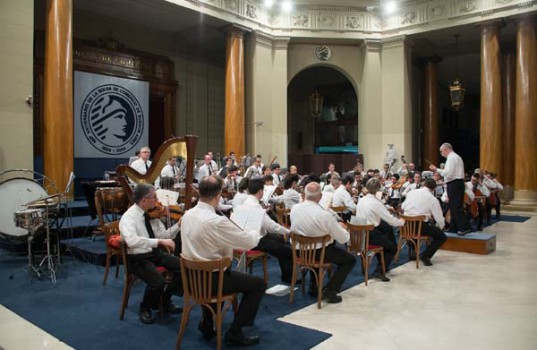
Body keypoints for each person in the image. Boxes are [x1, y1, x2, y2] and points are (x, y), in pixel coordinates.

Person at [181, 175, 266, 346]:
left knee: (218, 270)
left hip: (192, 279)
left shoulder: (188, 214)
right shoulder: (217, 221)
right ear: (219, 194)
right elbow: (249, 243)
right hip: (213, 281)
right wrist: (254, 231)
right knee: (259, 284)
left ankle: (207, 323)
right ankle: (235, 332)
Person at [119, 183, 182, 324]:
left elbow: (165, 235)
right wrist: (158, 242)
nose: (156, 201)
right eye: (154, 198)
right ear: (143, 200)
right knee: (157, 281)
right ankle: (145, 307)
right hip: (137, 257)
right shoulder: (129, 218)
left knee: (183, 266)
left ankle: (165, 300)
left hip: (154, 254)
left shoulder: (152, 215)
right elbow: (132, 241)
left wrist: (178, 225)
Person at [290, 182, 356, 303]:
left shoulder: (294, 208)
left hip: (299, 251)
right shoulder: (324, 215)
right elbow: (343, 239)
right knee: (350, 260)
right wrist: (344, 228)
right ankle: (330, 289)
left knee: (323, 244)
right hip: (319, 252)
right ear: (320, 197)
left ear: (304, 194)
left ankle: (313, 286)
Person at [237, 178, 293, 284]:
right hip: (256, 240)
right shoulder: (256, 206)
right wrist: (287, 231)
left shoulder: (246, 202)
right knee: (288, 251)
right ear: (260, 191)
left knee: (280, 240)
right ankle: (288, 278)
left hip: (245, 237)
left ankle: (286, 273)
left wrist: (263, 212)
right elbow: (271, 227)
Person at [356, 178, 405, 281]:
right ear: (378, 189)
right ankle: (379, 271)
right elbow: (390, 219)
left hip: (359, 234)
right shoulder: (375, 203)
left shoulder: (362, 200)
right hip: (369, 234)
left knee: (385, 231)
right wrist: (401, 221)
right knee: (392, 247)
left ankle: (382, 265)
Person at [401, 178, 447, 266]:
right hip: (420, 226)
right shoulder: (432, 199)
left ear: (423, 184)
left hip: (405, 225)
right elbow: (439, 219)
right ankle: (426, 256)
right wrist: (440, 227)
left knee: (420, 225)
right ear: (433, 189)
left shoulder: (411, 192)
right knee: (441, 237)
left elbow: (403, 207)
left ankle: (412, 250)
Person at [430, 143, 471, 235]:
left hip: (454, 183)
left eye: (441, 151)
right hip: (456, 183)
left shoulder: (452, 158)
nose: (441, 154)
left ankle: (464, 228)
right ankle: (453, 227)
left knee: (456, 207)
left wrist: (436, 169)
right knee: (453, 207)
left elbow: (448, 173)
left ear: (445, 149)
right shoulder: (456, 157)